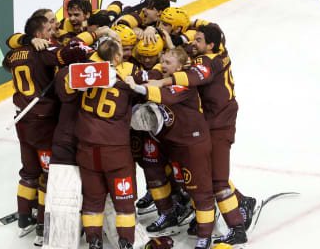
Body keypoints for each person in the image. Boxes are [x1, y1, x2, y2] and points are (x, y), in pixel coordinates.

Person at [147, 25, 254, 247]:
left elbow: (193, 77)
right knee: (209, 176)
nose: (193, 43)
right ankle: (229, 210)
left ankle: (238, 223)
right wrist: (170, 44)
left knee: (217, 181)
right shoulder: (218, 51)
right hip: (215, 121)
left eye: (198, 40)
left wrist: (162, 81)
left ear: (210, 45)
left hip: (218, 125)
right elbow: (187, 59)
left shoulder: (208, 63)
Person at [2, 15, 87, 245]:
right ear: (38, 35)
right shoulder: (43, 50)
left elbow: (6, 59)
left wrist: (25, 41)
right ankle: (41, 225)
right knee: (47, 174)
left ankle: (23, 218)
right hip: (44, 122)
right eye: (49, 29)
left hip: (22, 119)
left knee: (28, 171)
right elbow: (71, 55)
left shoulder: (12, 54)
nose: (53, 31)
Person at [126, 47, 216, 249]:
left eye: (168, 63)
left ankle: (205, 235)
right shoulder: (163, 77)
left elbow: (164, 96)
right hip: (176, 144)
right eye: (163, 61)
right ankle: (181, 216)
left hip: (193, 145)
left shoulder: (184, 84)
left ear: (180, 66)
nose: (163, 66)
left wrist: (138, 88)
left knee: (200, 191)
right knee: (185, 185)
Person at [74, 39, 138, 249]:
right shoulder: (125, 78)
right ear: (117, 57)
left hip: (87, 150)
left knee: (92, 201)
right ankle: (126, 242)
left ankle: (93, 240)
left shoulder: (84, 74)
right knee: (124, 202)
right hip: (116, 152)